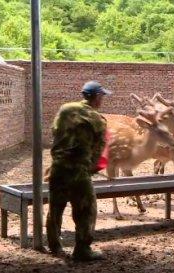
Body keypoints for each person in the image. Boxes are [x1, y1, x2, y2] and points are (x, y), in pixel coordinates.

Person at [46, 80, 110, 261]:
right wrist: (90, 168)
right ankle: (82, 249)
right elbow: (99, 150)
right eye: (102, 96)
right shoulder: (98, 119)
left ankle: (54, 245)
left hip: (58, 168)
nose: (102, 99)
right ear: (97, 97)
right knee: (86, 209)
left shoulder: (65, 109)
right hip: (79, 171)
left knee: (55, 208)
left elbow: (55, 131)